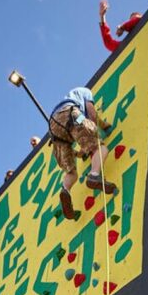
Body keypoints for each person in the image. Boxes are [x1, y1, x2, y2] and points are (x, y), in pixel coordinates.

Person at [48, 86, 116, 220]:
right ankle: (94, 175)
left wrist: (80, 153)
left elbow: (73, 142)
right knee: (100, 148)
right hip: (72, 115)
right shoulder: (85, 92)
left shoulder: (68, 97)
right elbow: (92, 114)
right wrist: (104, 126)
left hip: (55, 132)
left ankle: (65, 189)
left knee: (71, 172)